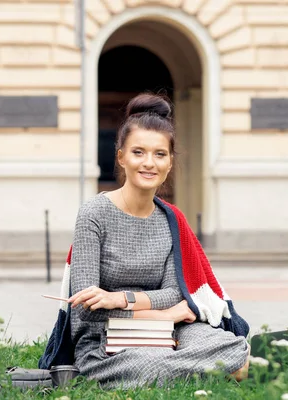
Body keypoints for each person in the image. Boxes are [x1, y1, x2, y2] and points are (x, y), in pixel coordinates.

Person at [41, 93, 250, 389]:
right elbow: (86, 308)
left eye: (160, 154)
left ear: (169, 161)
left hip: (168, 330)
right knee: (156, 362)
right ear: (121, 157)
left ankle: (222, 364)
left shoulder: (171, 220)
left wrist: (120, 299)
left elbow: (173, 292)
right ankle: (232, 368)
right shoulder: (93, 214)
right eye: (138, 152)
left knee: (228, 344)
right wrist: (163, 313)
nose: (149, 163)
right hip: (106, 339)